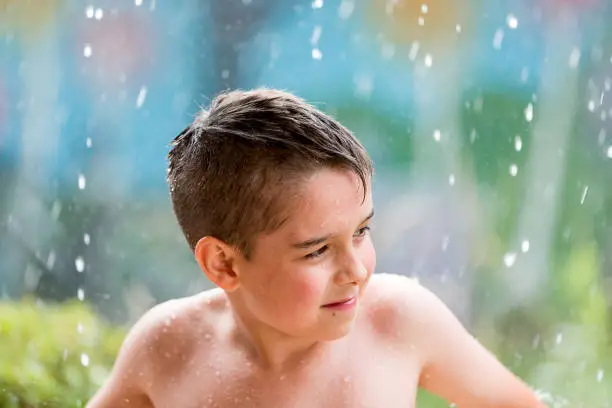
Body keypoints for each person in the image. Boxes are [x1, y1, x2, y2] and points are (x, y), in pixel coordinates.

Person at [88, 89, 546, 407]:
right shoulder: (169, 347)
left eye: (362, 232)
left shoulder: (397, 322)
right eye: (317, 251)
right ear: (224, 263)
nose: (357, 271)